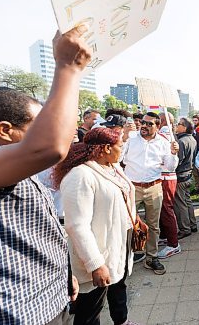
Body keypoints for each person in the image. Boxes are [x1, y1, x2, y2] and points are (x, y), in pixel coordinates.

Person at [0, 27, 91, 325]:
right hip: (20, 314)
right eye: (37, 124)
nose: (51, 128)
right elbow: (49, 147)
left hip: (51, 298)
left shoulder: (18, 168)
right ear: (4, 130)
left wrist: (64, 274)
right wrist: (69, 67)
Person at [55, 128, 138, 325]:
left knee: (119, 287)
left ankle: (122, 321)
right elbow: (77, 225)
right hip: (97, 252)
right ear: (106, 148)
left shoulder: (113, 167)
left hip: (119, 243)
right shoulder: (81, 175)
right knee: (91, 307)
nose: (123, 149)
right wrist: (95, 263)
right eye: (120, 145)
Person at [122, 112, 179, 274]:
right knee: (128, 223)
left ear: (158, 126)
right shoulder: (131, 139)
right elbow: (118, 157)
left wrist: (173, 154)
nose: (144, 126)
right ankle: (127, 256)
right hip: (132, 187)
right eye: (143, 123)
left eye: (149, 124)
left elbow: (169, 167)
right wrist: (124, 137)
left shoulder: (163, 142)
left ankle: (151, 257)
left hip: (154, 187)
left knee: (153, 225)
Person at [157, 112, 182, 259]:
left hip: (166, 177)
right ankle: (167, 236)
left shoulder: (164, 137)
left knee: (166, 209)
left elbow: (170, 163)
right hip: (164, 176)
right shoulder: (167, 135)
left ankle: (173, 244)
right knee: (163, 209)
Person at [174, 117, 198, 238]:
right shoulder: (192, 139)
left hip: (181, 176)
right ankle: (193, 224)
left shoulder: (181, 142)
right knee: (188, 201)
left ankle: (185, 228)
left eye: (178, 124)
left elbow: (178, 161)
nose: (176, 126)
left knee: (180, 204)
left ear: (184, 127)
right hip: (188, 175)